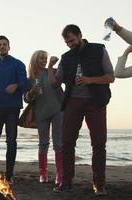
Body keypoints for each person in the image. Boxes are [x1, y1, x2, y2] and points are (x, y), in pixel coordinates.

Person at [49, 24, 114, 196]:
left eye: (71, 40)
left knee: (99, 144)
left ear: (79, 35)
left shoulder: (99, 50)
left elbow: (110, 76)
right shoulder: (66, 57)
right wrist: (50, 67)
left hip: (95, 101)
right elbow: (55, 83)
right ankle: (66, 182)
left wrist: (89, 80)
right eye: (66, 42)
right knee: (67, 142)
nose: (70, 44)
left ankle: (99, 184)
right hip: (72, 102)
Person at [0, 35, 27, 184]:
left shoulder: (18, 64)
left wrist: (16, 86)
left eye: (4, 44)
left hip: (12, 108)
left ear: (9, 47)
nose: (2, 47)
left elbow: (25, 84)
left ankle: (9, 174)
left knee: (11, 141)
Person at [24, 50, 63, 185]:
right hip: (41, 113)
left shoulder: (52, 71)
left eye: (45, 58)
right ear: (35, 59)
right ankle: (43, 173)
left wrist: (53, 64)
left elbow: (64, 75)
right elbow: (26, 99)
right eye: (41, 58)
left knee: (58, 142)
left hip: (58, 109)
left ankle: (60, 174)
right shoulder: (29, 79)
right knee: (43, 143)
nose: (44, 60)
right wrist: (32, 92)